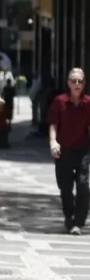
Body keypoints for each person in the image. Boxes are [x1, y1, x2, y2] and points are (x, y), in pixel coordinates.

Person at [48, 68, 90, 235]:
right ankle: (69, 216)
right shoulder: (60, 101)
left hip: (82, 150)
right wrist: (53, 141)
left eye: (80, 81)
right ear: (68, 83)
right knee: (65, 187)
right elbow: (53, 124)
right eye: (74, 81)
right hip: (64, 150)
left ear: (84, 84)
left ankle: (78, 223)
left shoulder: (88, 103)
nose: (77, 84)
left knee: (83, 185)